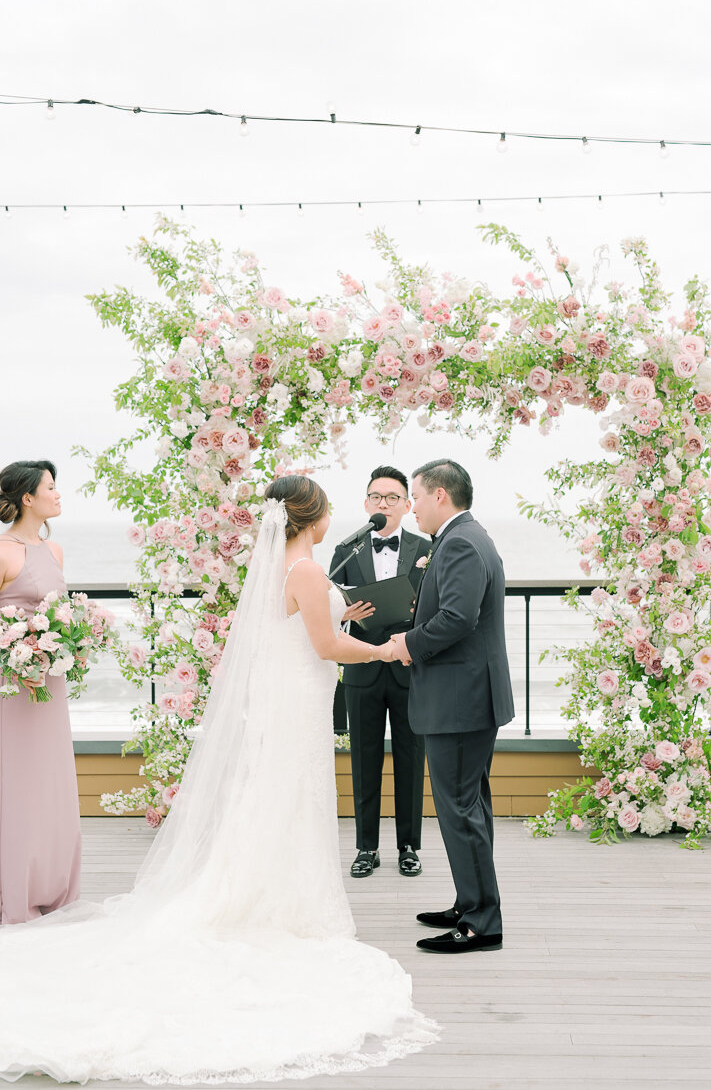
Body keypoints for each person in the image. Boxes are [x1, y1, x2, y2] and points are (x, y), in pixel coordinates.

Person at [0, 475, 435, 1084]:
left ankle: (264, 888)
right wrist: (389, 650)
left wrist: (348, 614)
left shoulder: (294, 566)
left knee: (278, 799)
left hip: (288, 699)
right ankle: (277, 904)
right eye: (329, 506)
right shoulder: (307, 569)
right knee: (289, 798)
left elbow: (307, 627)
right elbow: (326, 646)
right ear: (312, 515)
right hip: (297, 702)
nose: (334, 514)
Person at [391, 459, 515, 955]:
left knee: (460, 810)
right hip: (465, 699)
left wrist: (407, 644)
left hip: (460, 701)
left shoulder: (460, 541)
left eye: (415, 497)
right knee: (469, 807)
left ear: (439, 495)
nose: (410, 506)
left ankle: (482, 923)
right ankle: (472, 903)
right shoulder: (465, 535)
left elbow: (458, 618)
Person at [330, 466, 431, 880]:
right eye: (376, 497)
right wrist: (344, 613)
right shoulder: (346, 550)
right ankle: (365, 847)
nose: (384, 503)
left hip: (409, 667)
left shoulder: (427, 547)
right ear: (365, 503)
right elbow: (328, 605)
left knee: (411, 758)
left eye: (393, 497)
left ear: (408, 505)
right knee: (363, 760)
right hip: (362, 667)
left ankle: (409, 846)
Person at [0, 460, 81, 924]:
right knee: (17, 779)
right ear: (28, 498)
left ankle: (51, 883)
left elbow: (61, 613)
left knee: (49, 780)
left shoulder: (55, 549)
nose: (58, 493)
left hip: (50, 682)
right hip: (13, 687)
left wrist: (75, 640)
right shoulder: (5, 552)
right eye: (51, 487)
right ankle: (15, 884)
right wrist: (18, 645)